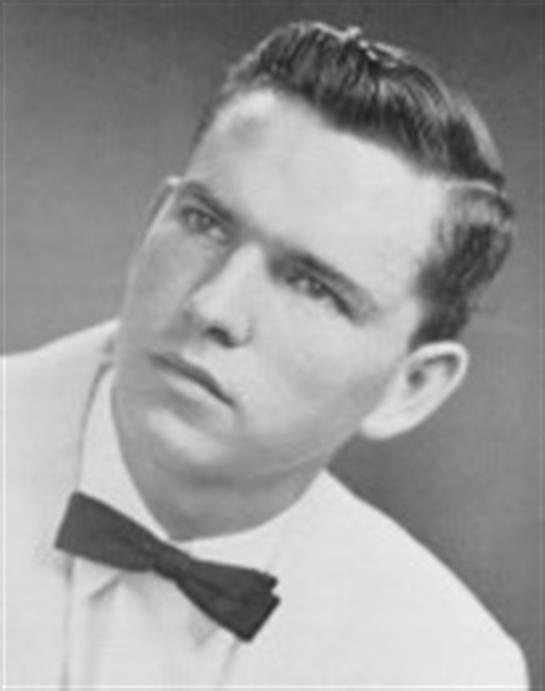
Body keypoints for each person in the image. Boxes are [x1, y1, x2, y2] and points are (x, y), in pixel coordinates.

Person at [5, 20, 528, 687]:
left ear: (411, 387)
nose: (213, 307)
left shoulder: (444, 661)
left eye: (312, 286)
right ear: (152, 222)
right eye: (204, 223)